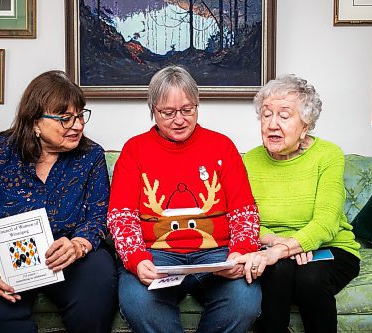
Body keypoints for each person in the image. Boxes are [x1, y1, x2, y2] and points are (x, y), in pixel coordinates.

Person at [0, 70, 118, 333]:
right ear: (35, 123)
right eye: (65, 119)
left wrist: (78, 244)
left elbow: (99, 217)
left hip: (69, 257)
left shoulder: (91, 156)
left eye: (80, 115)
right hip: (5, 258)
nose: (77, 125)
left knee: (97, 279)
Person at [107, 65, 261, 333]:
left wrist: (240, 252)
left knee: (245, 302)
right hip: (156, 256)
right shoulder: (134, 150)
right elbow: (121, 217)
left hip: (217, 255)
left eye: (188, 110)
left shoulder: (222, 146)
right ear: (153, 110)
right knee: (138, 302)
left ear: (197, 105)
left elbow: (244, 211)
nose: (179, 120)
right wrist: (137, 259)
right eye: (168, 113)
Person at [235, 74, 361, 333]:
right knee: (278, 272)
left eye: (283, 116)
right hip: (272, 249)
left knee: (310, 279)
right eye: (266, 114)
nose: (272, 124)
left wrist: (287, 248)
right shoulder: (249, 161)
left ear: (306, 125)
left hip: (330, 247)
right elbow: (242, 221)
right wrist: (278, 245)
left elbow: (326, 222)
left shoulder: (328, 155)